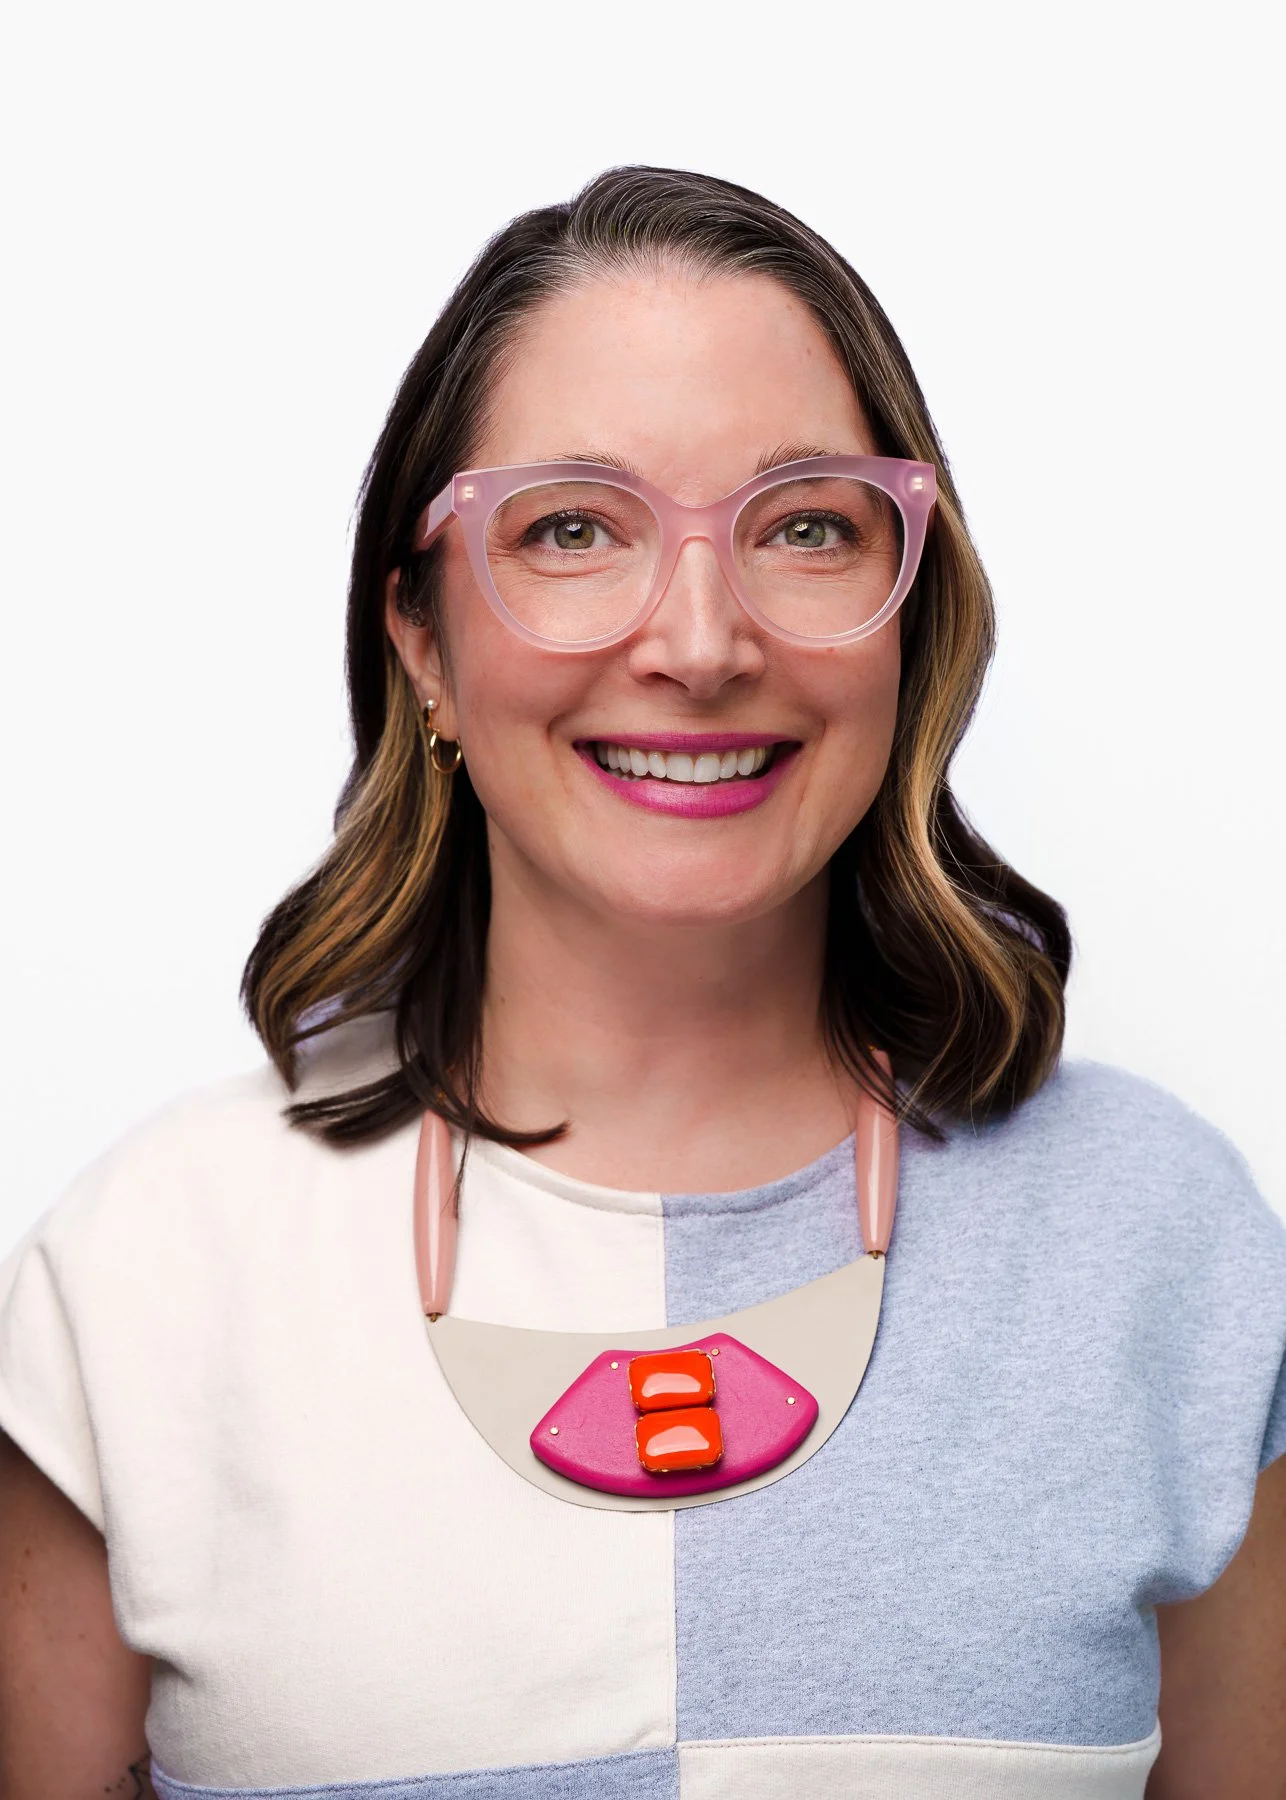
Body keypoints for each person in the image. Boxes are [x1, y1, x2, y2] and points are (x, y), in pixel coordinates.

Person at [1, 166, 1283, 1800]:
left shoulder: (1159, 1247)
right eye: (572, 531)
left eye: (805, 526)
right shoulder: (141, 1282)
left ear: (913, 609)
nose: (698, 639)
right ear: (419, 636)